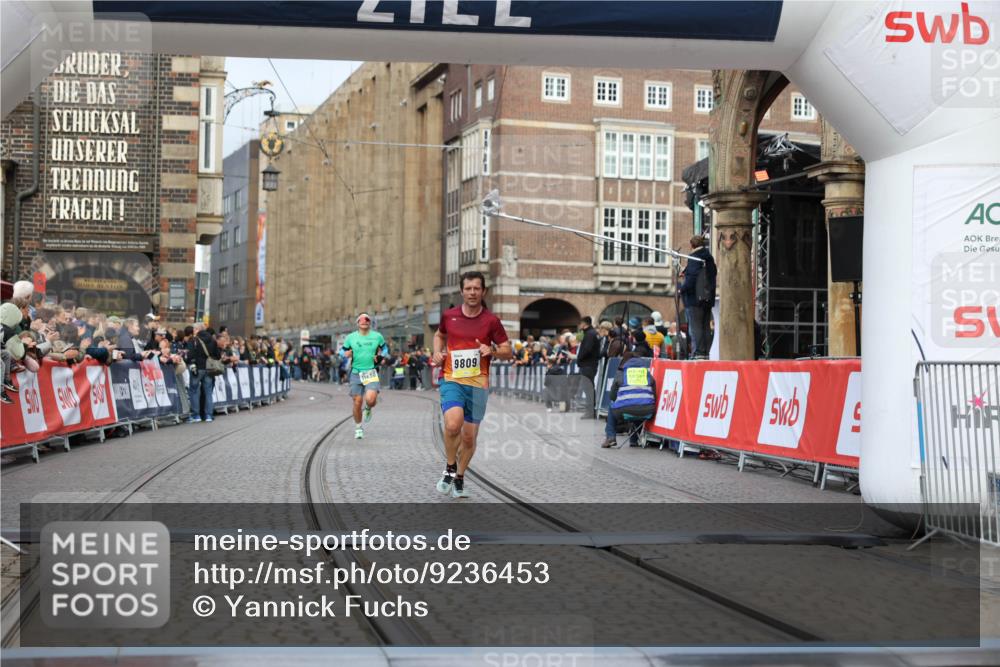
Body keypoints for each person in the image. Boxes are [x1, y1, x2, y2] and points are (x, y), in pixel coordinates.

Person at [433, 271, 512, 499]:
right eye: (468, 288)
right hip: (452, 379)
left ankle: (459, 476)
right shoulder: (449, 316)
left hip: (478, 384)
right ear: (461, 291)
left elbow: (508, 351)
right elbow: (439, 335)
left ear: (483, 291)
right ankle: (449, 468)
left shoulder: (491, 321)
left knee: (468, 438)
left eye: (476, 288)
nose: (472, 292)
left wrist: (493, 350)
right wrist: (438, 352)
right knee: (452, 424)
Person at [341, 313, 388, 439]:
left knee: (371, 399)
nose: (364, 321)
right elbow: (342, 351)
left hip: (371, 372)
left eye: (367, 319)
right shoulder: (351, 337)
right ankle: (358, 427)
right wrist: (346, 354)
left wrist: (380, 356)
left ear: (370, 322)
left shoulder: (377, 336)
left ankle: (368, 408)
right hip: (356, 373)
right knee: (357, 402)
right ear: (357, 323)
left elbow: (385, 349)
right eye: (361, 319)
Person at [601, 351, 656, 448]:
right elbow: (654, 394)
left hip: (625, 410)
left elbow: (612, 396)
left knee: (612, 406)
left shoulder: (621, 374)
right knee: (639, 404)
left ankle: (610, 437)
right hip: (648, 411)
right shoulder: (647, 374)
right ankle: (634, 440)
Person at [678, 235, 717, 359]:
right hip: (707, 297)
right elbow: (711, 273)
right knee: (705, 327)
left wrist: (681, 289)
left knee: (695, 328)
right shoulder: (708, 257)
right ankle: (705, 353)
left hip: (694, 298)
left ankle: (698, 353)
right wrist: (686, 271)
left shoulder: (694, 257)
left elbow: (693, 278)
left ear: (692, 245)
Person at [186, 322, 220, 423]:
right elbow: (217, 355)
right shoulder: (212, 340)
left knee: (194, 391)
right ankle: (208, 415)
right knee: (208, 392)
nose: (193, 331)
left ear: (197, 329)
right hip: (209, 368)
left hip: (197, 367)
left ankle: (196, 415)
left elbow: (190, 354)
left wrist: (191, 363)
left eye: (194, 329)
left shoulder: (194, 340)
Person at [575, 316, 599, 419]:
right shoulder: (589, 333)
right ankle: (590, 411)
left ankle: (590, 412)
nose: (579, 326)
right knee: (587, 387)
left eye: (580, 324)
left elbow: (587, 349)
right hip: (588, 364)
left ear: (584, 324)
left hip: (588, 364)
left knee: (588, 387)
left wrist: (579, 358)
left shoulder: (590, 334)